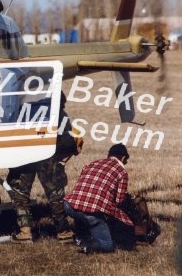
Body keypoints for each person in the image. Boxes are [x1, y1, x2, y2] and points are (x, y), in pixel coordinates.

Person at [7, 92, 81, 244]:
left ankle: (25, 232)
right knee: (55, 195)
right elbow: (67, 142)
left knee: (20, 193)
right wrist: (67, 153)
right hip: (49, 157)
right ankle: (63, 231)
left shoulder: (25, 111)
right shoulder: (59, 114)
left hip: (24, 154)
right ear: (60, 103)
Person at [64, 143, 135, 254]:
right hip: (92, 211)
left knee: (82, 210)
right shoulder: (122, 172)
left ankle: (81, 236)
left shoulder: (91, 163)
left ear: (109, 155)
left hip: (69, 205)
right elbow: (120, 201)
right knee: (108, 244)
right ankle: (90, 245)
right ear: (123, 157)